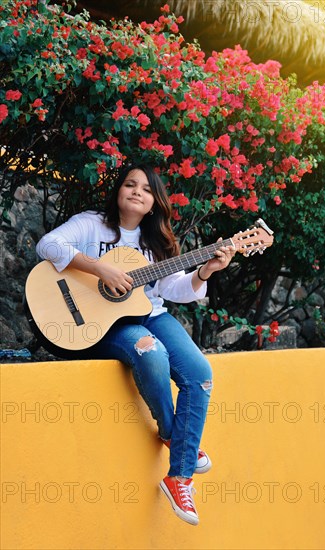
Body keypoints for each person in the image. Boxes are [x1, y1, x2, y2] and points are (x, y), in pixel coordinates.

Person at [35, 163, 235, 526]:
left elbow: (173, 289)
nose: (137, 192)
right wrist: (100, 269)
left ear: (154, 203)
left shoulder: (155, 243)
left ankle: (179, 479)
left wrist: (205, 271)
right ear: (119, 191)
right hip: (104, 325)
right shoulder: (91, 224)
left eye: (145, 189)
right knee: (150, 351)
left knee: (200, 373)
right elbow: (47, 244)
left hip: (149, 315)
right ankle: (176, 437)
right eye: (130, 184)